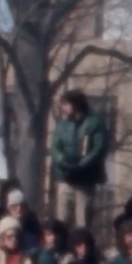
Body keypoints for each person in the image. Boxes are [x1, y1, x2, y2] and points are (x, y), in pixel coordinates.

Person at [49, 90, 111, 231]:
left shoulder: (94, 123)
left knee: (83, 220)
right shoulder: (62, 124)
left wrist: (82, 164)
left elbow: (99, 148)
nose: (62, 108)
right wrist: (62, 160)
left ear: (76, 105)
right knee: (61, 218)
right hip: (65, 177)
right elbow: (55, 146)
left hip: (85, 180)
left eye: (65, 104)